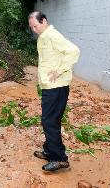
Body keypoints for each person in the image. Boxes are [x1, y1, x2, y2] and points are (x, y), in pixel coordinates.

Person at [28, 11, 80, 172]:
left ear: (44, 21)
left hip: (57, 87)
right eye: (32, 28)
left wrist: (59, 70)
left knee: (50, 121)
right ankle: (50, 151)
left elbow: (74, 51)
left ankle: (59, 159)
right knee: (49, 120)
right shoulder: (44, 37)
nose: (34, 30)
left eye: (36, 26)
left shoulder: (52, 35)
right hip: (49, 87)